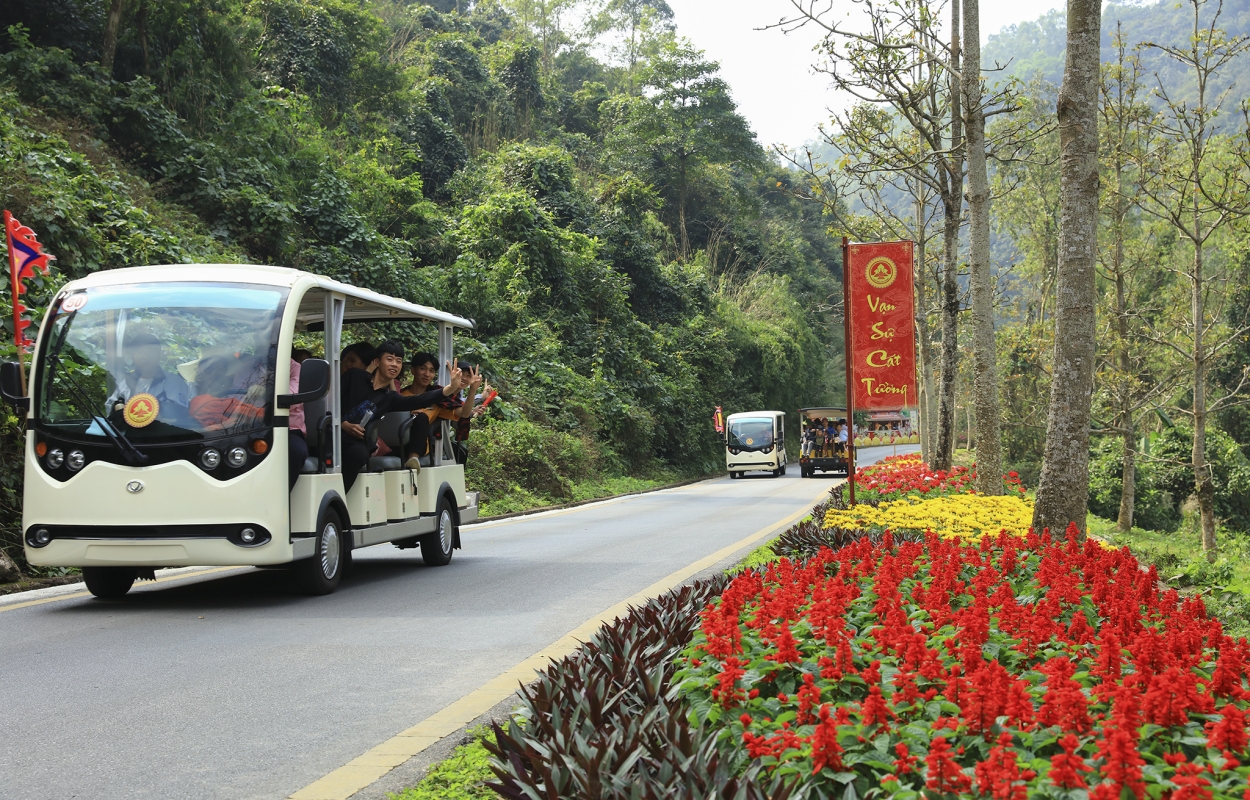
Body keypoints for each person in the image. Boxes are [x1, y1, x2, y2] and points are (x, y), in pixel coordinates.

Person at [339, 340, 467, 492]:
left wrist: (450, 388)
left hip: (357, 441)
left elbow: (418, 400)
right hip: (335, 432)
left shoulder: (391, 397)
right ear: (377, 362)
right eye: (389, 359)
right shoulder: (354, 376)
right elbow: (332, 401)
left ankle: (340, 496)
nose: (394, 364)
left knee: (358, 454)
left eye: (398, 361)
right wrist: (342, 423)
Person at [402, 353, 483, 467]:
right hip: (395, 439)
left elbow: (464, 413)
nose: (427, 374)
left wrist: (473, 390)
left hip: (417, 445)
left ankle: (413, 457)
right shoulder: (400, 395)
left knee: (421, 417)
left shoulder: (437, 399)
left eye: (431, 371)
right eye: (423, 369)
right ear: (413, 370)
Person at [106, 331, 192, 412]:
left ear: (159, 355)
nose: (146, 356)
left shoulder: (174, 382)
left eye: (151, 351)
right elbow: (110, 406)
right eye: (140, 352)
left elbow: (178, 414)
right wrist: (118, 406)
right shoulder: (127, 381)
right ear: (132, 356)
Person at [288, 357, 308, 491]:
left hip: (288, 429)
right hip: (247, 425)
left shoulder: (295, 368)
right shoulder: (247, 367)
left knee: (295, 451)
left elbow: (291, 396)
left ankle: (281, 500)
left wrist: (262, 394)